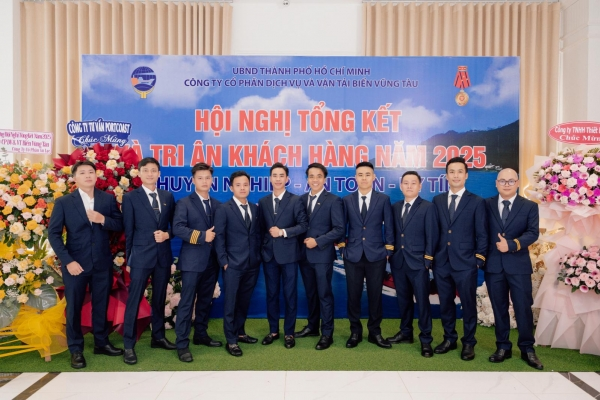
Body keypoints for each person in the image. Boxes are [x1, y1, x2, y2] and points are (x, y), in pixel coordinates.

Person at [48, 160, 123, 369]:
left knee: (101, 304)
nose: (88, 175)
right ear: (74, 178)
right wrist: (68, 261)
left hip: (102, 262)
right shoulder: (64, 202)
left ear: (96, 175)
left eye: (91, 171)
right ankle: (75, 349)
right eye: (82, 172)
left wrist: (102, 219)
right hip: (75, 264)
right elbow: (54, 234)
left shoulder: (107, 199)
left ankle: (101, 342)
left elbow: (120, 224)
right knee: (74, 307)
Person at [484, 168, 543, 370]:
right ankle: (503, 347)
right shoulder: (486, 204)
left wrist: (512, 244)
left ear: (517, 183)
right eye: (502, 181)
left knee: (523, 308)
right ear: (496, 183)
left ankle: (527, 349)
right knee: (499, 307)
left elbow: (533, 233)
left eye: (511, 181)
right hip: (493, 266)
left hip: (518, 265)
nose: (507, 184)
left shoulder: (529, 206)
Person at [121, 157, 176, 365]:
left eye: (154, 170)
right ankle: (128, 345)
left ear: (159, 174)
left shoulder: (167, 196)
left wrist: (168, 234)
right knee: (134, 300)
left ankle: (158, 337)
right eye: (146, 170)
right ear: (139, 173)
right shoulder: (130, 198)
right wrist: (129, 259)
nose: (150, 174)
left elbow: (175, 225)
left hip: (162, 256)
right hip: (140, 257)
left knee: (159, 298)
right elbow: (128, 230)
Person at [432, 156, 487, 361]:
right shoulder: (437, 200)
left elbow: (482, 234)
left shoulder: (477, 201)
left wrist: (478, 259)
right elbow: (434, 231)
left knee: (468, 304)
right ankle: (449, 338)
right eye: (451, 172)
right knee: (445, 303)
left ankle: (469, 342)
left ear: (466, 175)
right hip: (442, 262)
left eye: (459, 172)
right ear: (446, 176)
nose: (455, 175)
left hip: (466, 263)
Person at [339, 161, 394, 349]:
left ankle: (374, 332)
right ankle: (355, 331)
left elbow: (389, 227)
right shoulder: (347, 200)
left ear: (374, 177)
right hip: (352, 254)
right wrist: (342, 249)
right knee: (353, 295)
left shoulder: (383, 199)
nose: (364, 178)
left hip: (376, 255)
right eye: (360, 175)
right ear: (355, 178)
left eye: (367, 174)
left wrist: (388, 250)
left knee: (375, 295)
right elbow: (341, 226)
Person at [173, 162, 222, 362]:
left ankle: (200, 334)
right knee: (187, 302)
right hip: (192, 262)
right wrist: (202, 236)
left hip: (212, 262)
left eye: (207, 178)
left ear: (212, 180)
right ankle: (182, 344)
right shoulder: (184, 203)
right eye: (200, 178)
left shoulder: (218, 204)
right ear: (193, 180)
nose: (204, 181)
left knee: (205, 301)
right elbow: (178, 228)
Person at [388, 171, 438, 357]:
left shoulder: (427, 207)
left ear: (420, 186)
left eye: (413, 183)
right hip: (399, 262)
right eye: (406, 183)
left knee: (423, 302)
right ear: (401, 186)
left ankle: (426, 339)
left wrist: (428, 260)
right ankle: (406, 332)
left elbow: (432, 235)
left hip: (418, 263)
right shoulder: (395, 207)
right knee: (403, 300)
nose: (409, 186)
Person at [258, 162, 308, 349]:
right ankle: (273, 330)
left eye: (281, 176)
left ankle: (289, 333)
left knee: (290, 294)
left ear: (287, 179)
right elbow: (260, 229)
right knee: (271, 294)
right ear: (270, 178)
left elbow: (303, 225)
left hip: (289, 255)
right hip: (269, 256)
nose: (278, 179)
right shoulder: (263, 202)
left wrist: (283, 232)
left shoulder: (296, 200)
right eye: (275, 175)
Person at [295, 163, 345, 350]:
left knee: (324, 294)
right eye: (311, 176)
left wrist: (318, 241)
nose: (314, 180)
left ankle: (327, 333)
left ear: (325, 179)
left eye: (318, 176)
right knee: (311, 293)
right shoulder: (300, 200)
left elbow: (339, 229)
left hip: (322, 255)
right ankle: (312, 327)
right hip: (304, 256)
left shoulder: (333, 200)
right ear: (307, 179)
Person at [214, 171, 262, 357]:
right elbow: (219, 236)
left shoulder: (255, 209)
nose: (242, 188)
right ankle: (231, 340)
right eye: (238, 185)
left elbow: (256, 235)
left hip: (252, 264)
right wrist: (224, 261)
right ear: (231, 187)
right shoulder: (224, 209)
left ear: (250, 187)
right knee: (231, 303)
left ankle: (240, 333)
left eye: (245, 185)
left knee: (244, 301)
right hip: (232, 264)